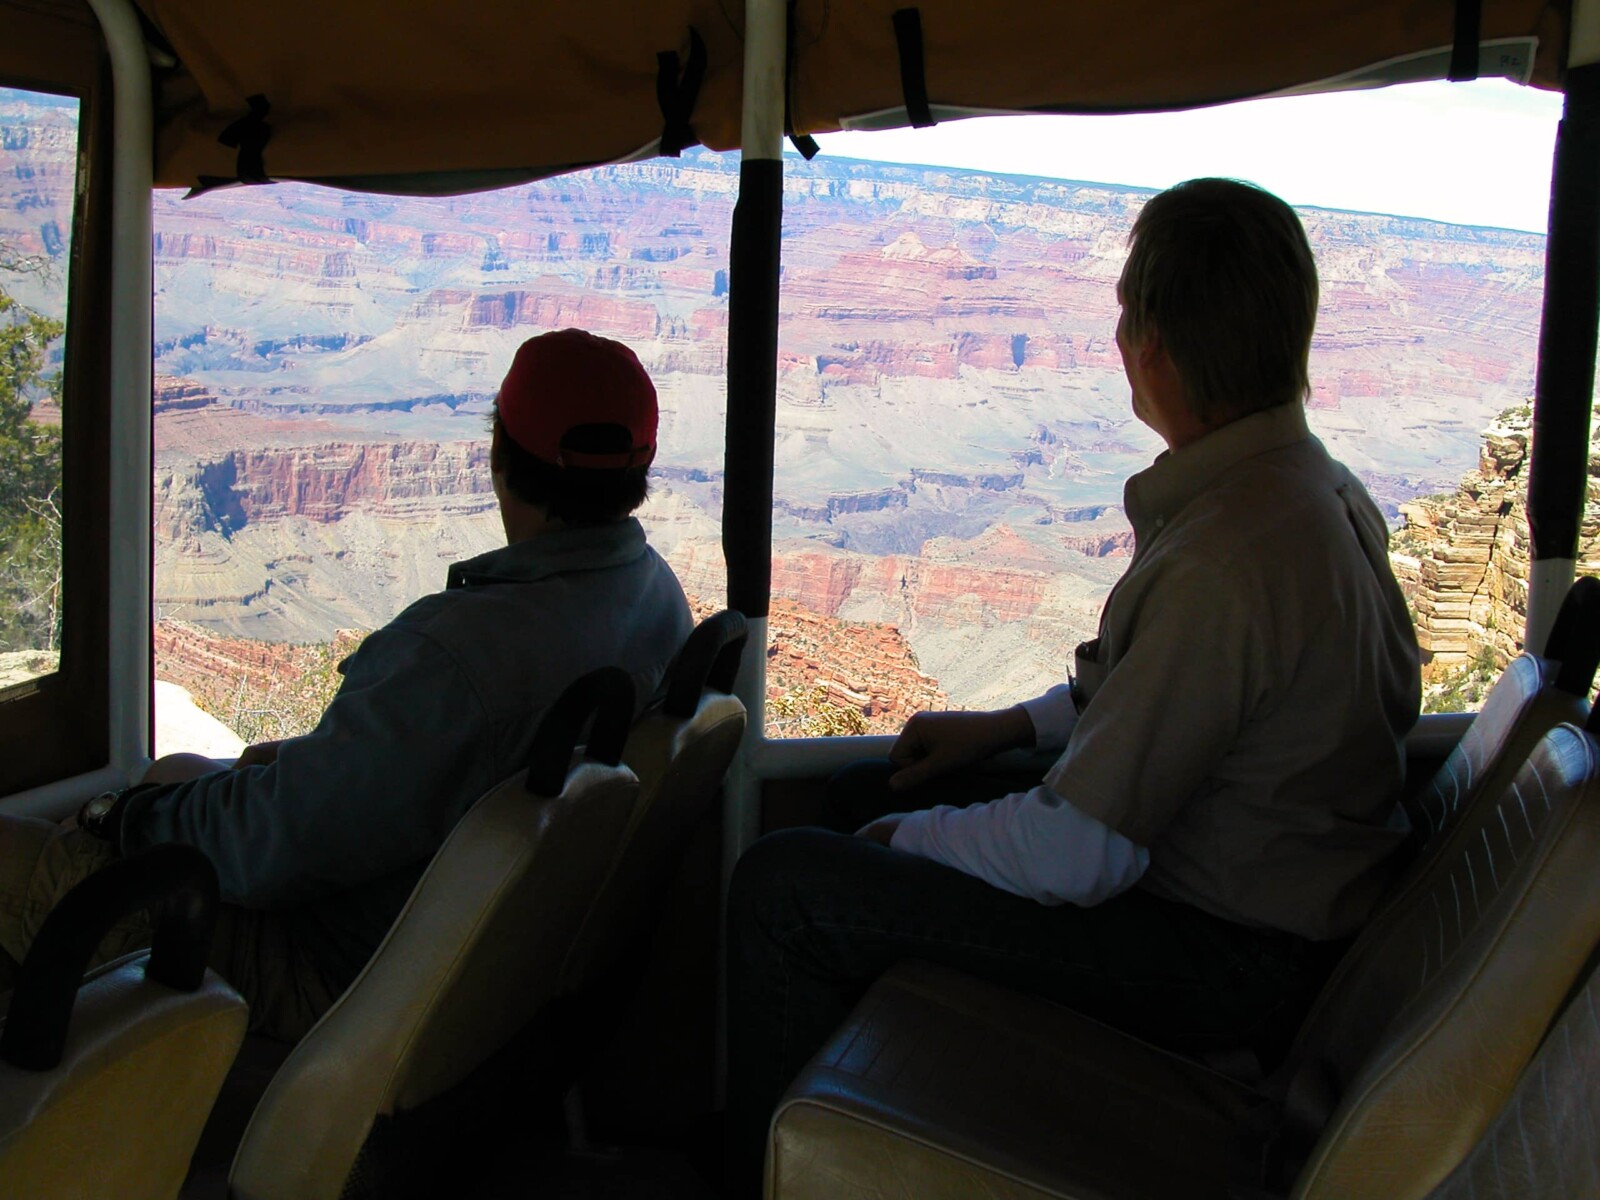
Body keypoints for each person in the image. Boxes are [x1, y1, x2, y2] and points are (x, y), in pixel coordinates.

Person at [725, 178, 1421, 1179]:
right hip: (1254, 909)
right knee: (855, 791)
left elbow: (1078, 855)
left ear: (1152, 349)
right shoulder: (1311, 493)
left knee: (784, 888)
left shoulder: (1232, 555)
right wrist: (1007, 729)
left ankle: (769, 1177)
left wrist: (903, 842)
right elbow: (1170, 705)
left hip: (1225, 958)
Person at [0, 328, 693, 1042]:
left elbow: (270, 847)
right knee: (181, 772)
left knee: (20, 862)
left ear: (499, 456)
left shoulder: (455, 656)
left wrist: (119, 818)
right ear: (638, 469)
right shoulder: (658, 598)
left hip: (339, 977)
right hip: (476, 970)